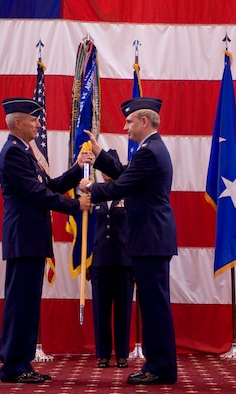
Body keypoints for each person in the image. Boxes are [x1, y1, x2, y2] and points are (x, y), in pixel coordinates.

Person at [79, 97, 178, 385]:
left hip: (151, 239)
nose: (125, 127)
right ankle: (158, 364)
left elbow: (122, 185)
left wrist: (90, 187)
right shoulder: (151, 149)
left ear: (143, 121)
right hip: (150, 239)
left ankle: (160, 368)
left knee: (154, 305)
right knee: (151, 304)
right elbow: (126, 176)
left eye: (129, 121)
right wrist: (100, 155)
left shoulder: (149, 152)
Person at [0, 97, 92, 384]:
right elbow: (36, 194)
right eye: (33, 119)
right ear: (17, 123)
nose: (38, 124)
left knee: (27, 304)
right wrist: (77, 206)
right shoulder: (14, 153)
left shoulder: (25, 152)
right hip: (24, 238)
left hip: (31, 239)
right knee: (20, 304)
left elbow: (49, 185)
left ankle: (20, 363)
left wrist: (77, 168)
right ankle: (14, 366)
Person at [88, 149, 134, 370]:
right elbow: (87, 234)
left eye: (110, 167)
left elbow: (134, 230)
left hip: (124, 261)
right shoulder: (94, 195)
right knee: (101, 309)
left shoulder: (128, 194)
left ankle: (122, 354)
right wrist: (88, 261)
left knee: (123, 309)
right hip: (100, 261)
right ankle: (104, 354)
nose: (106, 173)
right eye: (103, 169)